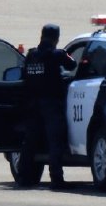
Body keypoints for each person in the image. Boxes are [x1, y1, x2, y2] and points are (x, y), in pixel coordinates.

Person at [19, 23, 76, 188]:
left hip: (32, 105)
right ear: (56, 38)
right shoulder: (57, 54)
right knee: (55, 141)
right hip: (51, 104)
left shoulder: (30, 56)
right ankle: (56, 179)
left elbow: (24, 76)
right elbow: (72, 65)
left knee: (30, 142)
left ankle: (23, 177)